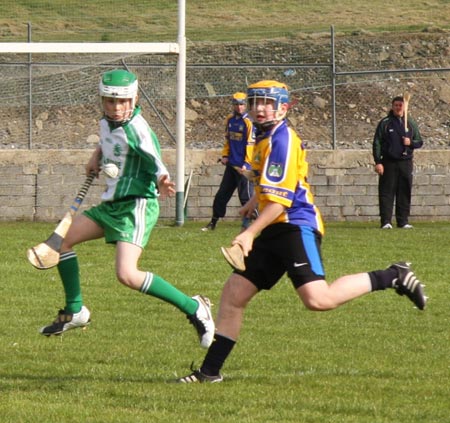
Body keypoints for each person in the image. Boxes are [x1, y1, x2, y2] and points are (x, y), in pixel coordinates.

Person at [178, 80, 427, 384]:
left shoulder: (281, 139)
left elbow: (282, 201)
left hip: (296, 225)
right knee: (233, 296)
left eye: (267, 102)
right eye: (256, 101)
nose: (259, 108)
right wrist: (254, 201)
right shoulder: (263, 135)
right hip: (275, 226)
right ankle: (209, 372)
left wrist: (248, 233)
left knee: (318, 300)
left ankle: (393, 275)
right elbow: (281, 181)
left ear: (283, 108)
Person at [39, 69, 215, 350]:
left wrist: (163, 180)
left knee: (127, 275)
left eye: (122, 102)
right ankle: (75, 311)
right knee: (62, 241)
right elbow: (108, 140)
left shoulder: (138, 128)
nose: (116, 107)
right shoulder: (106, 122)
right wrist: (95, 156)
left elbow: (154, 159)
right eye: (109, 101)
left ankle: (194, 307)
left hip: (137, 205)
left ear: (134, 99)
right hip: (113, 203)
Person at [202, 92, 257, 232]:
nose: (239, 107)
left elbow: (250, 144)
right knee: (221, 195)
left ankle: (258, 224)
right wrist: (225, 156)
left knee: (246, 197)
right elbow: (228, 140)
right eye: (237, 104)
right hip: (232, 166)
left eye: (242, 104)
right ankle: (213, 223)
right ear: (233, 105)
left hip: (243, 168)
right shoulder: (230, 119)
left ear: (246, 105)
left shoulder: (249, 122)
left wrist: (247, 164)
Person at [373, 95, 423, 229]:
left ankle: (403, 221)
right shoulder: (385, 123)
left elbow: (419, 142)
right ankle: (386, 222)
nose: (398, 107)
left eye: (401, 105)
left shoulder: (410, 123)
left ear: (405, 107)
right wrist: (378, 161)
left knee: (404, 191)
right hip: (388, 162)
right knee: (386, 192)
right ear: (392, 106)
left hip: (405, 162)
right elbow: (377, 142)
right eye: (396, 105)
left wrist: (410, 142)